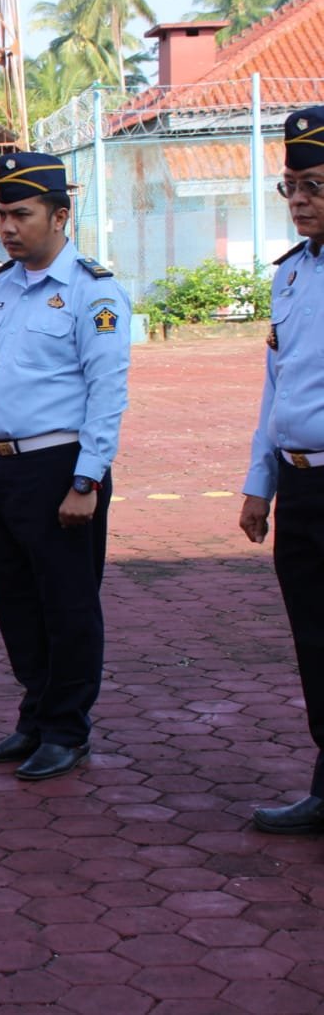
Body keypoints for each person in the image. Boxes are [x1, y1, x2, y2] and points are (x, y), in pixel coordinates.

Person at [0, 151, 131, 782]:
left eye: (20, 214)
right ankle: (34, 715)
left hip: (60, 468)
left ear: (60, 215)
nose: (6, 227)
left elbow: (108, 390)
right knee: (17, 603)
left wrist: (88, 478)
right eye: (0, 214)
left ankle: (67, 729)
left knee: (68, 604)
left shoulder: (94, 291)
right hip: (2, 471)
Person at [239, 106, 324, 835]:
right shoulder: (291, 277)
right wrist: (258, 482)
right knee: (313, 639)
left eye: (314, 186)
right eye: (289, 186)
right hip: (299, 483)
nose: (298, 200)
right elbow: (276, 384)